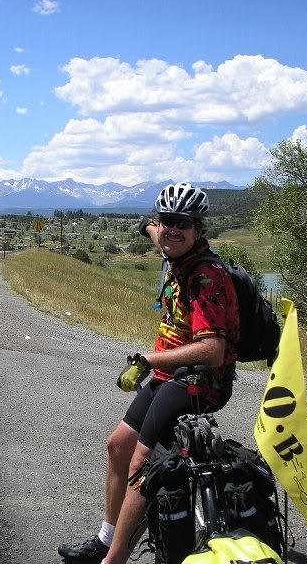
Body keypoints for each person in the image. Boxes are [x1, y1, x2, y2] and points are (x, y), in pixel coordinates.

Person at [58, 182, 240, 564]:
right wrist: (151, 224)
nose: (172, 230)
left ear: (199, 229)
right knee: (117, 445)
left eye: (183, 224)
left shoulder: (206, 276)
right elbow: (153, 228)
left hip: (200, 380)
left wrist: (149, 360)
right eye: (166, 222)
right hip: (169, 375)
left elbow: (213, 350)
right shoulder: (171, 246)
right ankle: (107, 539)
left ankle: (115, 558)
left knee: (142, 465)